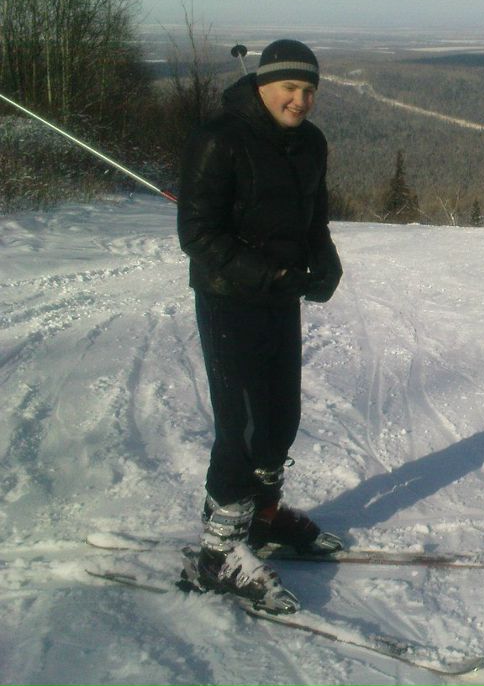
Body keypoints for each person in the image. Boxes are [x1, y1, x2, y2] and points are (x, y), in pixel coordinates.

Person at [177, 39, 344, 613]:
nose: (300, 101)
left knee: (281, 416)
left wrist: (323, 261)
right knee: (243, 425)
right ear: (263, 86)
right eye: (290, 89)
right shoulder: (219, 138)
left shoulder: (310, 144)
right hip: (229, 299)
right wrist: (266, 273)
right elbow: (198, 236)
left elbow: (313, 215)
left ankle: (263, 518)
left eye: (309, 91)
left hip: (279, 297)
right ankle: (219, 549)